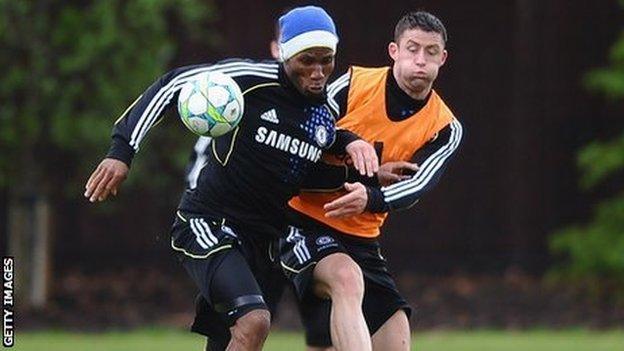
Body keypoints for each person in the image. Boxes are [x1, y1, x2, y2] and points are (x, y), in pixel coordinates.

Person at [83, 6, 378, 351]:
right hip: (210, 222)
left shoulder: (324, 116)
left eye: (326, 60)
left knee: (230, 341)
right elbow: (172, 85)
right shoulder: (249, 80)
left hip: (264, 242)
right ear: (284, 55)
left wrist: (359, 166)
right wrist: (122, 151)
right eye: (306, 60)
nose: (317, 72)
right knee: (254, 322)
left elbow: (303, 170)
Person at [279, 11, 463, 351]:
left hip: (362, 238)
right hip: (300, 221)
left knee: (395, 338)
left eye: (430, 52)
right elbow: (301, 133)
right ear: (394, 51)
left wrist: (371, 198)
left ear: (443, 58)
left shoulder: (444, 126)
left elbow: (417, 184)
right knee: (346, 281)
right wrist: (349, 144)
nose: (420, 60)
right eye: (412, 49)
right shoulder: (353, 84)